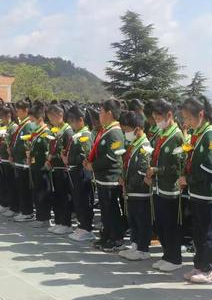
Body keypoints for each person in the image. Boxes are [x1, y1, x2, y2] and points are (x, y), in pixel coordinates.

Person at [178, 96, 212, 284]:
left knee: (208, 232)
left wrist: (189, 179)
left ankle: (209, 268)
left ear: (201, 114)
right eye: (184, 119)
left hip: (208, 191)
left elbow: (211, 164)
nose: (186, 123)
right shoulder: (198, 134)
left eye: (188, 118)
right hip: (196, 191)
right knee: (198, 231)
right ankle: (199, 264)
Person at [146, 98, 184, 272]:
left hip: (171, 189)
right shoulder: (161, 135)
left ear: (169, 115)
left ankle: (174, 257)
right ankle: (166, 254)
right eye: (154, 118)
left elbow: (177, 166)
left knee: (170, 225)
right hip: (158, 187)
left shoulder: (176, 136)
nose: (157, 121)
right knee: (161, 224)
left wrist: (157, 170)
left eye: (159, 117)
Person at [85, 99, 126, 252]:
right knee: (105, 209)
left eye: (101, 112)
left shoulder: (115, 132)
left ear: (109, 113)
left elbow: (112, 156)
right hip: (102, 177)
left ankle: (116, 238)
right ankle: (107, 235)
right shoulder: (105, 130)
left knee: (112, 209)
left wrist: (93, 165)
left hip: (111, 178)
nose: (99, 115)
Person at [119, 111, 154, 261]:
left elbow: (141, 170)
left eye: (127, 130)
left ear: (138, 129)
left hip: (140, 191)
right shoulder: (134, 145)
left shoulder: (145, 146)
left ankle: (143, 248)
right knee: (133, 218)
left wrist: (127, 182)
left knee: (141, 219)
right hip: (131, 191)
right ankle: (135, 244)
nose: (126, 133)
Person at [64, 105, 96, 242]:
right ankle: (81, 225)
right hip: (74, 172)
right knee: (77, 199)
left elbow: (86, 155)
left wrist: (71, 159)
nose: (71, 125)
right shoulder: (77, 134)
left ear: (81, 120)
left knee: (84, 200)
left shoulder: (85, 134)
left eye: (73, 122)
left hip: (82, 172)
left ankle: (87, 227)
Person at [47, 104, 74, 235]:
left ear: (60, 115)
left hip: (63, 168)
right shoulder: (55, 129)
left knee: (64, 196)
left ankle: (66, 223)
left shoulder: (67, 130)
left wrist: (53, 156)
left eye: (52, 117)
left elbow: (67, 151)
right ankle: (58, 221)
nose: (51, 120)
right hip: (55, 167)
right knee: (57, 196)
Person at [27, 102, 53, 228]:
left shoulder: (46, 133)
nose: (31, 123)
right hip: (35, 167)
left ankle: (45, 218)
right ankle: (40, 216)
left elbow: (48, 151)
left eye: (33, 120)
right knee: (37, 192)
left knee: (43, 193)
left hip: (42, 168)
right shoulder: (36, 132)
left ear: (40, 119)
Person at [10, 100, 36, 222]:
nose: (16, 112)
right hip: (18, 161)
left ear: (25, 110)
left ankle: (27, 212)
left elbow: (28, 143)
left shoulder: (29, 125)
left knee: (24, 188)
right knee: (20, 188)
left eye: (18, 110)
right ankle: (23, 210)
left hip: (23, 162)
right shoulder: (22, 124)